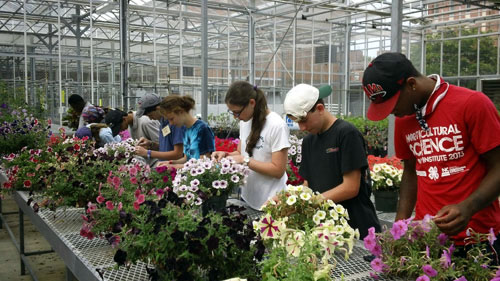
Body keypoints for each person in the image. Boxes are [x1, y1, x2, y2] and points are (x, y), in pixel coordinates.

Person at [362, 52, 500, 253]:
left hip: (478, 238)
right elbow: (410, 172)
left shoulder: (472, 103)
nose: (391, 112)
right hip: (428, 238)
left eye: (392, 105)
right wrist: (399, 229)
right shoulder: (404, 120)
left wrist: (469, 206)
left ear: (411, 84)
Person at [283, 83, 381, 239]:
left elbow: (350, 187)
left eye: (304, 120)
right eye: (297, 122)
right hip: (328, 230)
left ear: (320, 109)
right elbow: (309, 184)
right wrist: (287, 198)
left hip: (357, 227)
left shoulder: (346, 134)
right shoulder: (309, 141)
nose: (301, 127)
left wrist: (311, 202)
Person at [212, 81, 290, 210]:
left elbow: (278, 170)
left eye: (237, 112)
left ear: (252, 103)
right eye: (232, 113)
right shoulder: (245, 121)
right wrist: (225, 155)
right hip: (248, 197)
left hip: (271, 201)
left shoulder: (276, 125)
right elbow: (241, 153)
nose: (236, 117)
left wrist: (245, 161)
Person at [156, 95, 214, 166]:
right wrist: (170, 162)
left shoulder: (202, 129)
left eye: (171, 119)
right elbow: (187, 159)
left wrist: (174, 167)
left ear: (181, 112)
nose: (170, 123)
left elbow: (203, 163)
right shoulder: (185, 129)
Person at [134, 94, 185, 164]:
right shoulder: (162, 122)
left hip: (175, 169)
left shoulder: (176, 123)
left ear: (158, 109)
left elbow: (178, 154)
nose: (150, 118)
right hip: (165, 168)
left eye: (150, 115)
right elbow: (166, 148)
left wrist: (148, 153)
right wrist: (150, 144)